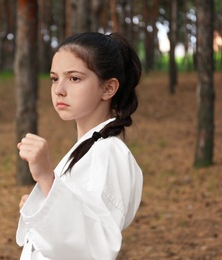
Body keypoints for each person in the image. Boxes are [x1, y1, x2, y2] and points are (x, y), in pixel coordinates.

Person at [16, 32, 143, 259]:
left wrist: (46, 178)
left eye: (74, 78)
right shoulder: (90, 148)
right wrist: (43, 200)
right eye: (55, 78)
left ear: (108, 88)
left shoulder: (109, 153)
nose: (59, 89)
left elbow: (96, 247)